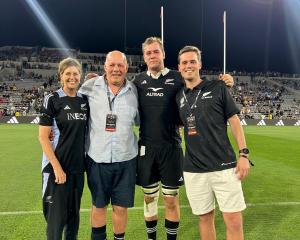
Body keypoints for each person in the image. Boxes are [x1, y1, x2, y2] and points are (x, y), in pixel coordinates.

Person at [133, 37, 234, 240]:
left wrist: (225, 82)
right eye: (148, 53)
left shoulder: (178, 77)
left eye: (155, 51)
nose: (152, 55)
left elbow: (200, 87)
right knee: (148, 198)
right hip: (146, 148)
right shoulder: (138, 81)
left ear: (163, 54)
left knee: (171, 199)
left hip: (172, 147)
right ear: (144, 57)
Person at [176, 45, 251, 240]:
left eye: (193, 61)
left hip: (224, 167)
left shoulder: (218, 87)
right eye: (184, 62)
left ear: (200, 64)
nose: (189, 65)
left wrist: (243, 154)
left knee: (233, 219)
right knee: (204, 219)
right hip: (194, 169)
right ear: (179, 67)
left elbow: (234, 121)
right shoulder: (178, 96)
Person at [79, 50, 139, 240]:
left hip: (126, 158)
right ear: (104, 67)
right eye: (112, 65)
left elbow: (144, 118)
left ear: (126, 68)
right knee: (99, 205)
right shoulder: (89, 87)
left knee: (121, 207)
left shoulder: (134, 90)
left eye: (120, 65)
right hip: (97, 157)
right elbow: (68, 102)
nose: (116, 69)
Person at [39, 57, 89, 240]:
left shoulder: (84, 101)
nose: (72, 77)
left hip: (77, 170)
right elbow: (43, 137)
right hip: (56, 171)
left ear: (80, 76)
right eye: (68, 73)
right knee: (55, 223)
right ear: (61, 76)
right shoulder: (51, 99)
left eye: (75, 73)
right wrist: (57, 167)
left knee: (73, 221)